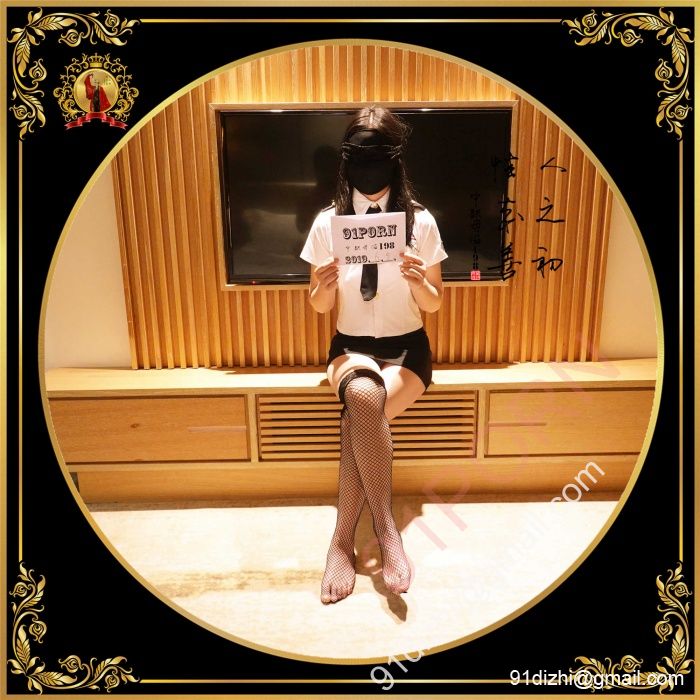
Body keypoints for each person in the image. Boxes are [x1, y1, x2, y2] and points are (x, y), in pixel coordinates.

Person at [300, 105, 447, 604]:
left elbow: (435, 303)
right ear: (347, 160)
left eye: (379, 155)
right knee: (363, 396)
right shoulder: (327, 223)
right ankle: (386, 530)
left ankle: (341, 543)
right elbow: (320, 306)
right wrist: (321, 285)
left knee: (357, 419)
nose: (370, 167)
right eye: (360, 156)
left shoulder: (420, 222)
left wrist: (418, 279)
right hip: (350, 347)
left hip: (407, 349)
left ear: (395, 158)